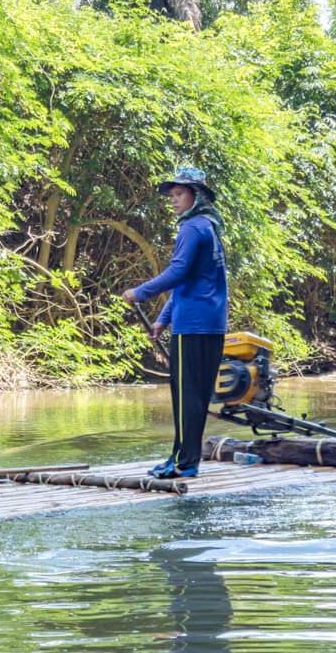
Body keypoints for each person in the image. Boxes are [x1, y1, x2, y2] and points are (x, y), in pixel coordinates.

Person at [122, 167, 227, 479]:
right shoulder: (209, 226)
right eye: (171, 195)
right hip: (208, 323)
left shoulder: (193, 228)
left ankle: (185, 463)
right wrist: (163, 320)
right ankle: (181, 459)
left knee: (186, 398)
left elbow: (177, 274)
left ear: (197, 195)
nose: (173, 201)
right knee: (192, 397)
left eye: (179, 194)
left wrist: (140, 292)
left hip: (194, 325)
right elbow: (190, 281)